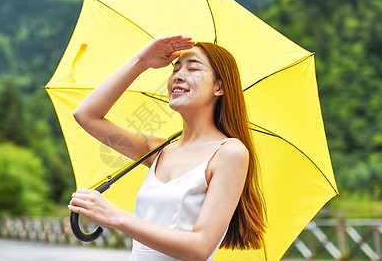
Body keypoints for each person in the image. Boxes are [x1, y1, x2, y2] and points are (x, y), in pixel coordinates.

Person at [68, 35, 266, 260]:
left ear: (218, 87)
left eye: (192, 69)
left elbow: (200, 248)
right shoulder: (157, 150)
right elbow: (86, 115)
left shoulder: (229, 152)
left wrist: (115, 217)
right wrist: (142, 61)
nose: (178, 76)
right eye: (175, 69)